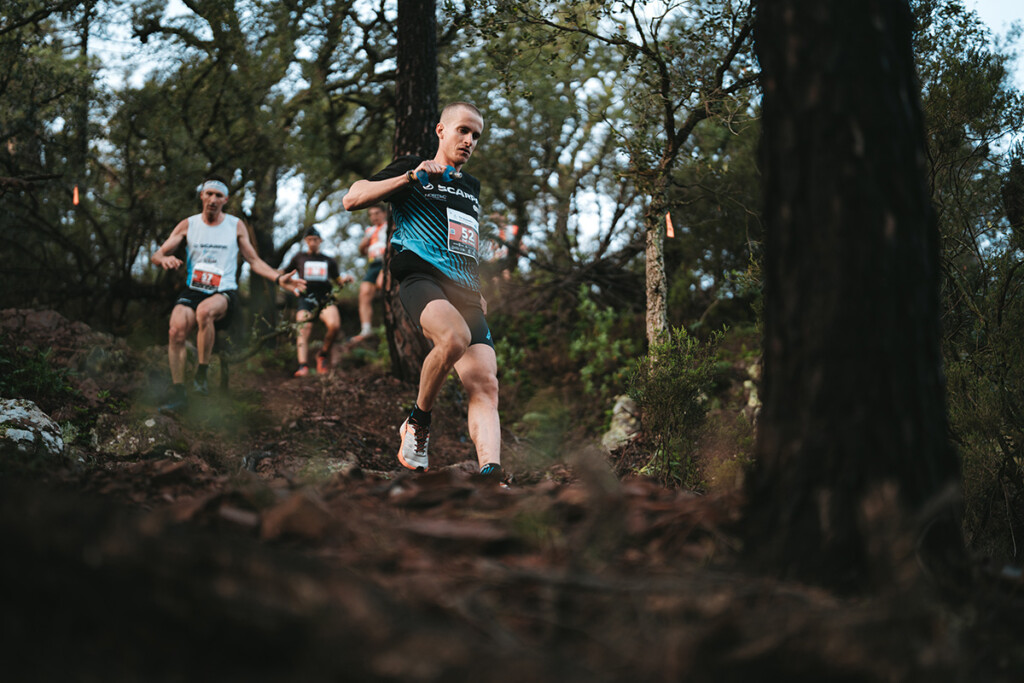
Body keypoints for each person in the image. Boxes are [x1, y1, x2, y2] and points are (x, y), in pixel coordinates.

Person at [341, 102, 503, 479]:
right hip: (421, 278)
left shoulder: (471, 187)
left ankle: (491, 473)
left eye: (476, 135)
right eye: (463, 130)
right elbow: (353, 198)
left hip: (465, 288)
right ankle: (417, 422)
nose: (469, 141)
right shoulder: (412, 167)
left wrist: (477, 287)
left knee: (486, 383)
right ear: (441, 130)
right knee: (453, 338)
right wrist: (410, 178)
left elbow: (464, 239)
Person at [152, 175, 305, 411]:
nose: (213, 199)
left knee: (204, 312)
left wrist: (277, 277)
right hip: (193, 289)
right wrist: (164, 259)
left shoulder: (235, 225)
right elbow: (157, 254)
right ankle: (179, 393)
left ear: (226, 199)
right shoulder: (189, 224)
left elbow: (253, 261)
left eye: (218, 195)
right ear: (202, 196)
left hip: (223, 292)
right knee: (175, 331)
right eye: (209, 193)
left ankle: (201, 376)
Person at [283, 226, 354, 376]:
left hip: (325, 298)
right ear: (305, 241)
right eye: (309, 240)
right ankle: (303, 366)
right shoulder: (299, 257)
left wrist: (345, 279)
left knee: (334, 325)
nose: (312, 242)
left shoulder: (328, 260)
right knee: (303, 328)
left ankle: (322, 354)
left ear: (320, 241)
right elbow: (284, 274)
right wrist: (286, 283)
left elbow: (338, 280)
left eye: (315, 239)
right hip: (306, 298)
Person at [352, 204, 388, 341]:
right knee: (364, 293)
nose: (374, 217)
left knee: (382, 285)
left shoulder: (389, 226)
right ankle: (366, 329)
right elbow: (362, 251)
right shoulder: (370, 231)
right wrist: (363, 244)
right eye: (371, 214)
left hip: (386, 262)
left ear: (384, 213)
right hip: (373, 263)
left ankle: (388, 324)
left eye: (377, 213)